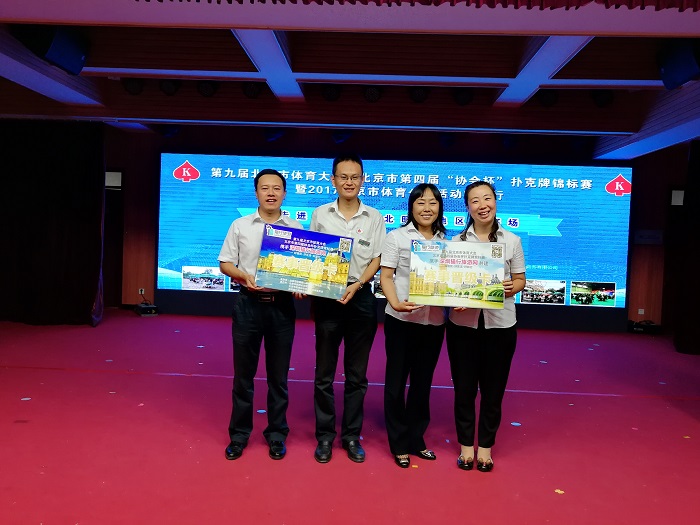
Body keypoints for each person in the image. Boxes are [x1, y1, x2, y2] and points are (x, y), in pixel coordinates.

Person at [218, 169, 303, 461]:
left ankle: (277, 435)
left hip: (281, 307)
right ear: (256, 193)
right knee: (243, 376)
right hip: (248, 305)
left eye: (276, 188)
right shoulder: (240, 225)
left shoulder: (295, 227)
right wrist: (243, 276)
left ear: (284, 194)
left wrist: (301, 285)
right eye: (265, 188)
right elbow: (225, 263)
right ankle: (239, 436)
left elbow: (303, 267)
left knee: (279, 377)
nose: (271, 193)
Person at [309, 154, 386, 464]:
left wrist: (358, 284)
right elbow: (311, 254)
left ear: (363, 180)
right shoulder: (320, 214)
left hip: (361, 296)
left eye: (355, 177)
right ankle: (325, 437)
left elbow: (377, 258)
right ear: (333, 180)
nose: (349, 182)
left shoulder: (374, 217)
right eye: (343, 176)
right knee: (324, 374)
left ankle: (352, 436)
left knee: (357, 375)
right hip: (327, 297)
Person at [446, 180, 526, 472]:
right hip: (462, 327)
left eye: (487, 198)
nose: (483, 205)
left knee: (493, 391)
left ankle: (486, 448)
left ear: (495, 201)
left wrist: (511, 287)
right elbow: (447, 284)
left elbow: (520, 279)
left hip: (500, 326)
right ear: (467, 207)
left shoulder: (512, 240)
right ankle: (466, 446)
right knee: (464, 389)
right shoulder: (456, 244)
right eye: (475, 200)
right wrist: (453, 297)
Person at [380, 183, 447, 469]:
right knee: (396, 384)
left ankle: (416, 439)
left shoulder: (447, 242)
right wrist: (395, 302)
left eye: (432, 203)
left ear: (440, 208)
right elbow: (386, 276)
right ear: (411, 207)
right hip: (401, 320)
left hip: (434, 322)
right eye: (421, 202)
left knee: (422, 384)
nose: (427, 208)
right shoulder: (396, 237)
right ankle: (398, 443)